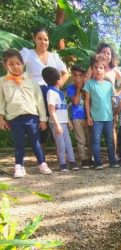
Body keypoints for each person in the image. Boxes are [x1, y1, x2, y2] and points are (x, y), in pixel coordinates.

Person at [0, 48, 52, 178]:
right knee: (19, 143)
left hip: (32, 117)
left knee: (36, 142)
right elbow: (1, 101)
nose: (15, 66)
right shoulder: (2, 82)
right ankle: (19, 166)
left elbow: (39, 101)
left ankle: (42, 164)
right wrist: (1, 117)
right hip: (14, 118)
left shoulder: (31, 81)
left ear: (23, 64)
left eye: (18, 63)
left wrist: (43, 119)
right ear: (5, 65)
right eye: (11, 64)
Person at [20, 27, 69, 144]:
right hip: (34, 93)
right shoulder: (27, 53)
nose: (43, 42)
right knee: (38, 123)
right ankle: (40, 156)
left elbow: (66, 73)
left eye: (46, 39)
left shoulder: (54, 56)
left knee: (55, 121)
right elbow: (15, 68)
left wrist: (58, 85)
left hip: (52, 93)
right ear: (34, 39)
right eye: (40, 39)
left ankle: (60, 153)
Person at [84, 55, 118, 170]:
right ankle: (97, 162)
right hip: (96, 118)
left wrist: (115, 115)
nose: (98, 70)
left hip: (108, 118)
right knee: (96, 141)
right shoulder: (89, 84)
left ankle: (113, 160)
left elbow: (114, 100)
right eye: (96, 67)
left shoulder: (109, 85)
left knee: (110, 141)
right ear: (92, 69)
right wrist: (88, 115)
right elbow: (87, 101)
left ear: (105, 70)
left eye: (101, 67)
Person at [43, 67, 77, 172]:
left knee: (68, 142)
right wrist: (57, 124)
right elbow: (51, 110)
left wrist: (69, 121)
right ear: (58, 81)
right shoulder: (51, 93)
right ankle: (62, 163)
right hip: (56, 123)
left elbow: (64, 109)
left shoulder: (59, 92)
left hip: (64, 122)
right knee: (60, 144)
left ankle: (72, 161)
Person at [66, 64, 92, 169]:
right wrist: (78, 88)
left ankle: (91, 158)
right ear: (72, 75)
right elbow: (76, 102)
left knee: (90, 139)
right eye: (75, 75)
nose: (77, 78)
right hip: (77, 117)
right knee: (81, 140)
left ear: (84, 76)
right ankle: (83, 159)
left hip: (88, 117)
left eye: (80, 75)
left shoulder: (88, 86)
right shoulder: (71, 88)